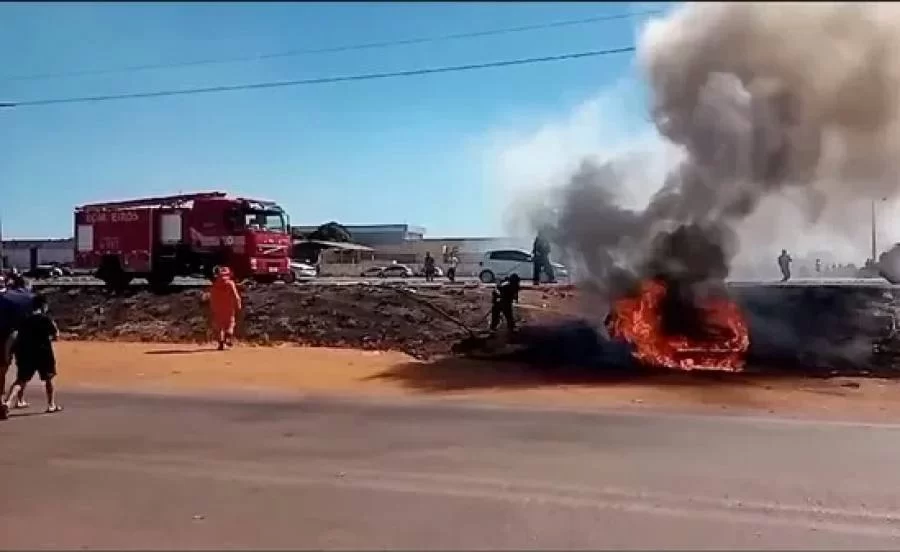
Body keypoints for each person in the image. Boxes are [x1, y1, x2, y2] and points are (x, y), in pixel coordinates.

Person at [1, 294, 61, 419]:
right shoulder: (45, 319)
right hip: (44, 352)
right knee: (49, 378)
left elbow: (15, 335)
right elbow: (56, 335)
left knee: (21, 380)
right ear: (44, 305)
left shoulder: (23, 319)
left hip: (25, 352)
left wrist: (9, 351)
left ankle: (7, 402)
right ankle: (51, 404)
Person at [0, 280, 36, 408]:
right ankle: (19, 399)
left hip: (4, 334)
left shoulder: (5, 297)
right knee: (23, 370)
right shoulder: (31, 297)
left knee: (2, 369)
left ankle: (1, 400)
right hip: (24, 336)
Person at [209, 266, 242, 350]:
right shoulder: (230, 283)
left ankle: (221, 344)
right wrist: (238, 304)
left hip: (218, 307)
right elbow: (236, 296)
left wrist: (212, 306)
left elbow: (212, 297)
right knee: (230, 324)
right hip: (229, 307)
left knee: (220, 327)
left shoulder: (215, 284)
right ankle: (228, 337)